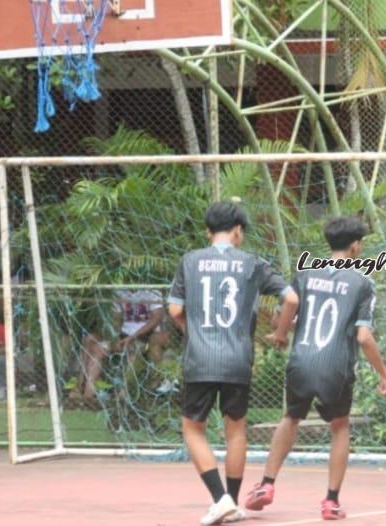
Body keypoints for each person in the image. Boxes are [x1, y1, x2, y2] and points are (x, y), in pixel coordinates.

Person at [245, 216, 386, 520]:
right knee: (340, 427)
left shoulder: (305, 275)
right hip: (335, 366)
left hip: (301, 361)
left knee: (290, 418)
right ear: (355, 246)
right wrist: (384, 374)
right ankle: (331, 501)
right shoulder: (363, 283)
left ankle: (267, 485)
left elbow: (278, 319)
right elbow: (364, 336)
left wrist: (282, 333)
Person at [167, 202, 296, 526]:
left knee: (193, 428)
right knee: (235, 430)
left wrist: (194, 332)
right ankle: (233, 502)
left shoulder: (190, 261)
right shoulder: (252, 263)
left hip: (200, 358)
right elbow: (292, 298)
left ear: (208, 232)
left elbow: (174, 310)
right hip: (239, 359)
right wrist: (280, 332)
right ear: (238, 230)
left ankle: (219, 499)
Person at [78, 288, 169, 400]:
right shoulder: (119, 292)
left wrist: (132, 337)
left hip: (145, 336)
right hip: (124, 335)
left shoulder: (152, 291)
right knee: (97, 349)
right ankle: (87, 395)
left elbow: (156, 318)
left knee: (133, 350)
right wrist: (115, 337)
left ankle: (123, 393)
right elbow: (116, 319)